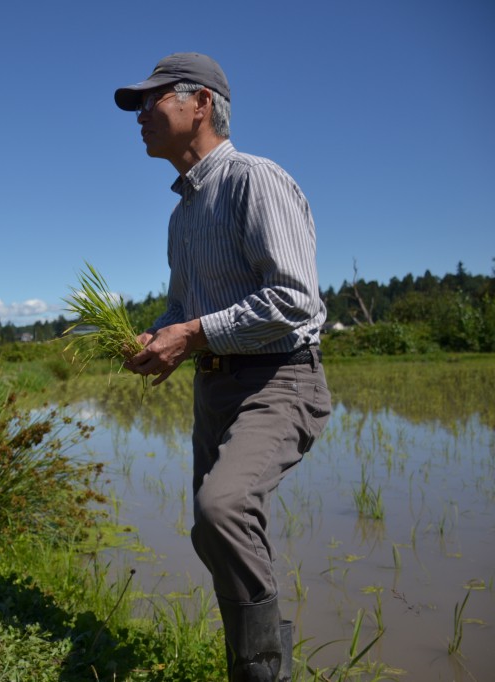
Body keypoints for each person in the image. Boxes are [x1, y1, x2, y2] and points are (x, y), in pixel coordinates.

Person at [115, 53, 332, 681]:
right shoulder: (182, 214)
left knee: (222, 509)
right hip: (215, 387)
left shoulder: (253, 180)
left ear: (201, 102)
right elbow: (184, 303)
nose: (141, 116)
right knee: (218, 535)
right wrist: (159, 333)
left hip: (279, 377)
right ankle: (254, 670)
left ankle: (265, 674)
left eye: (152, 100)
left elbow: (294, 300)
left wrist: (192, 331)